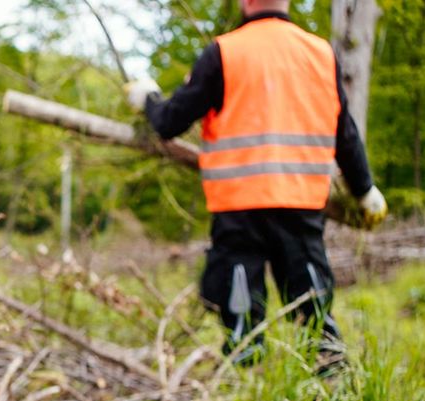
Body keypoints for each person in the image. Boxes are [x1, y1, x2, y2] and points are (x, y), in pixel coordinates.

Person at [125, 0, 388, 372]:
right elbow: (344, 133)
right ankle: (331, 385)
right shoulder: (319, 53)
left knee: (239, 311)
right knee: (312, 305)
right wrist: (365, 189)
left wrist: (148, 99)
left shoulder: (225, 52)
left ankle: (245, 392)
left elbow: (170, 122)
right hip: (300, 201)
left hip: (239, 205)